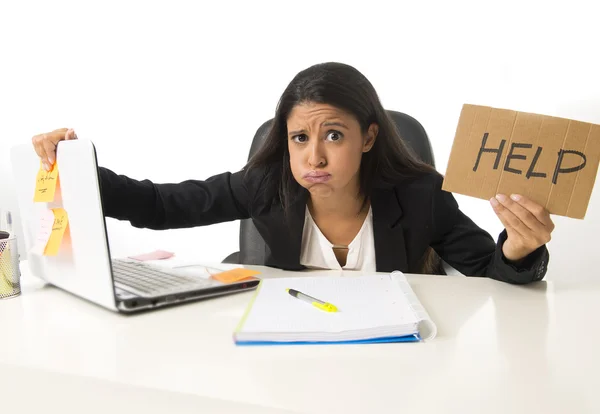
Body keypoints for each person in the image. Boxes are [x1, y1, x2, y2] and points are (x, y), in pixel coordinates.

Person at [32, 62, 553, 284]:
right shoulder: (266, 184)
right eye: (300, 138)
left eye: (334, 135)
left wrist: (519, 248)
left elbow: (488, 270)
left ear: (369, 137)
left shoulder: (420, 195)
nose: (313, 160)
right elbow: (163, 205)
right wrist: (77, 171)